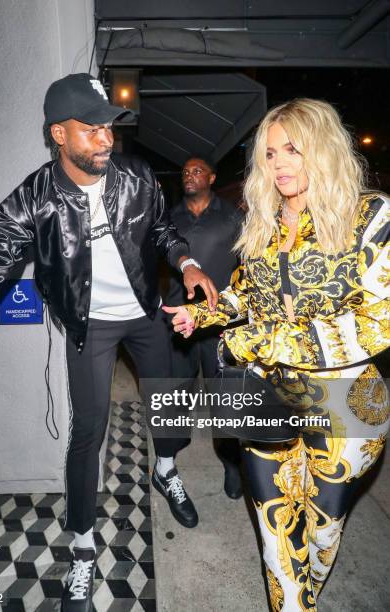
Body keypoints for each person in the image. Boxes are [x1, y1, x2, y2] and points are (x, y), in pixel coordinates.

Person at [0, 73, 219, 612]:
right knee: (88, 431)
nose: (106, 138)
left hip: (147, 314)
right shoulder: (35, 199)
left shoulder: (136, 177)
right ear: (58, 134)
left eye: (108, 125)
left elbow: (160, 232)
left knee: (171, 400)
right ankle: (83, 548)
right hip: (93, 326)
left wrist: (188, 262)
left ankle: (166, 469)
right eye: (91, 128)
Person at [164, 98, 389, 611]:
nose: (280, 163)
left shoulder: (371, 214)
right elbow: (249, 294)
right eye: (269, 153)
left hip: (346, 399)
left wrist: (267, 340)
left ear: (324, 148)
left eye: (293, 149)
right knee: (274, 523)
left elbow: (380, 320)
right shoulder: (262, 221)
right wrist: (206, 315)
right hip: (265, 388)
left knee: (322, 527)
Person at [160, 156, 245, 499]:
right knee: (178, 388)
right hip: (180, 322)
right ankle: (170, 455)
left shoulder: (232, 216)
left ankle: (232, 463)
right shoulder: (170, 217)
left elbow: (249, 264)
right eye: (184, 171)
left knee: (223, 394)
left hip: (219, 323)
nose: (189, 175)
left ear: (211, 177)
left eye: (197, 171)